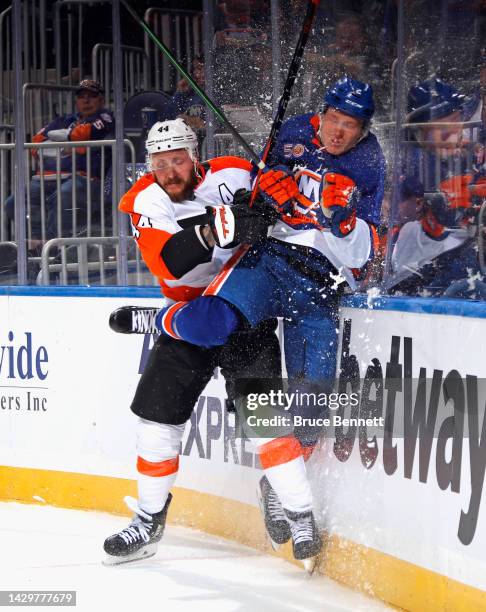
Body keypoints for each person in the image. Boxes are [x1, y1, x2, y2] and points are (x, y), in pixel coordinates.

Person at [149, 76, 385, 544]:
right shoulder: (294, 131)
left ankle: (275, 488)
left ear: (363, 129)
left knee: (312, 411)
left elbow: (369, 252)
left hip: (320, 285)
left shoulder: (370, 163)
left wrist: (345, 224)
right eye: (333, 120)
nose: (338, 132)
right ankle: (150, 318)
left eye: (350, 125)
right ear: (322, 114)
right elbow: (255, 202)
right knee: (213, 319)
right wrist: (263, 193)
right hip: (270, 262)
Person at [103, 118, 321, 567]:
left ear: (195, 156)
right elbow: (169, 263)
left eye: (178, 161)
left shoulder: (234, 172)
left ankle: (301, 514)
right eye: (160, 163)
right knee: (157, 422)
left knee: (267, 422)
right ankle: (147, 521)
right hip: (191, 317)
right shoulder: (146, 199)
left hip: (244, 314)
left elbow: (280, 201)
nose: (170, 172)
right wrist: (213, 230)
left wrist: (261, 207)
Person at [387, 78, 486, 297]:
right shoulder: (412, 167)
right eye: (442, 128)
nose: (454, 136)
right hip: (428, 280)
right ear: (420, 133)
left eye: (457, 122)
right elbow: (397, 252)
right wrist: (436, 220)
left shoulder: (470, 155)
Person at [5, 79, 114, 244]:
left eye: (91, 96)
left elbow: (83, 134)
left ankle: (53, 244)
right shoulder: (64, 120)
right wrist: (69, 142)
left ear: (101, 100)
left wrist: (63, 140)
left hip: (86, 181)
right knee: (13, 202)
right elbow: (35, 144)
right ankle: (36, 242)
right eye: (82, 97)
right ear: (76, 101)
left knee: (65, 194)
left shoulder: (105, 117)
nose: (86, 100)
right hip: (48, 178)